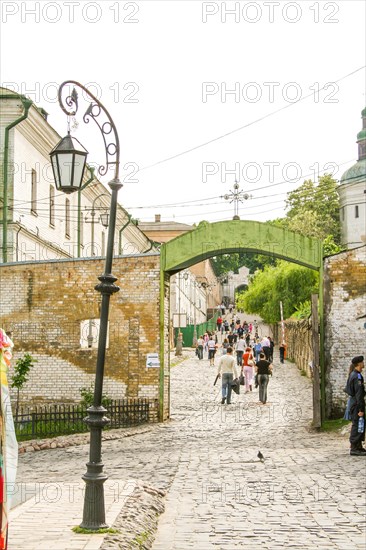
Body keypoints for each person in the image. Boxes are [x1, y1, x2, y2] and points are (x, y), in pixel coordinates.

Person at [346, 356, 366, 456]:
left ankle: (358, 446)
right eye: (362, 362)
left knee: (360, 425)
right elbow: (359, 394)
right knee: (357, 424)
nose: (363, 363)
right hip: (357, 404)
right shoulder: (357, 376)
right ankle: (354, 447)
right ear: (359, 364)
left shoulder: (355, 374)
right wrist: (361, 408)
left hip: (355, 403)